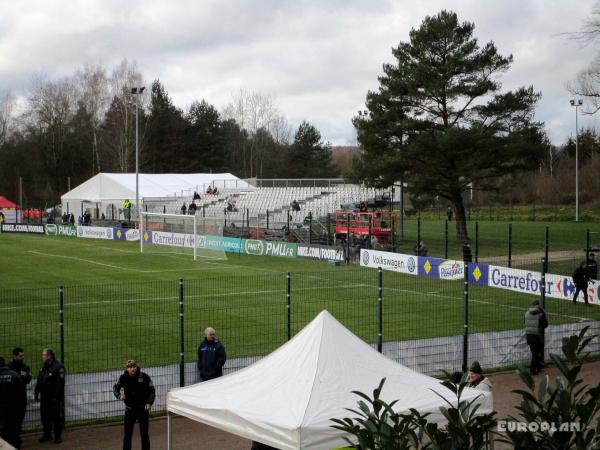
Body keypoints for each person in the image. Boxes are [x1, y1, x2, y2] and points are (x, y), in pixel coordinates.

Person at [113, 360, 155, 450]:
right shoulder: (123, 377)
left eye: (134, 366)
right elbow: (116, 387)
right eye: (130, 367)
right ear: (127, 368)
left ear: (136, 367)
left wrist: (149, 402)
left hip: (142, 409)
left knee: (144, 434)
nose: (133, 369)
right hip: (130, 410)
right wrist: (118, 395)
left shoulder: (144, 377)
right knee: (127, 434)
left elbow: (152, 390)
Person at [35, 348, 65, 444]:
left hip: (53, 397)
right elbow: (39, 380)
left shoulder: (58, 367)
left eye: (44, 355)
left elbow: (60, 384)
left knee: (56, 417)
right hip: (44, 397)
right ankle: (47, 434)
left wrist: (56, 398)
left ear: (49, 356)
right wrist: (36, 392)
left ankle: (57, 436)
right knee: (45, 417)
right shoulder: (44, 367)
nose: (42, 357)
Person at [0, 356, 27, 449]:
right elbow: (23, 395)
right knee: (15, 432)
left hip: (2, 411)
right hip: (15, 410)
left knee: (3, 433)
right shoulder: (15, 375)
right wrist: (22, 410)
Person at [524, 300, 548, 375]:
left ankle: (538, 367)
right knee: (536, 353)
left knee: (534, 352)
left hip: (529, 335)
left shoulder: (526, 313)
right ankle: (533, 369)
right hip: (538, 336)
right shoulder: (541, 315)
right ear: (538, 305)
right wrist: (543, 313)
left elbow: (524, 322)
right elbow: (545, 325)